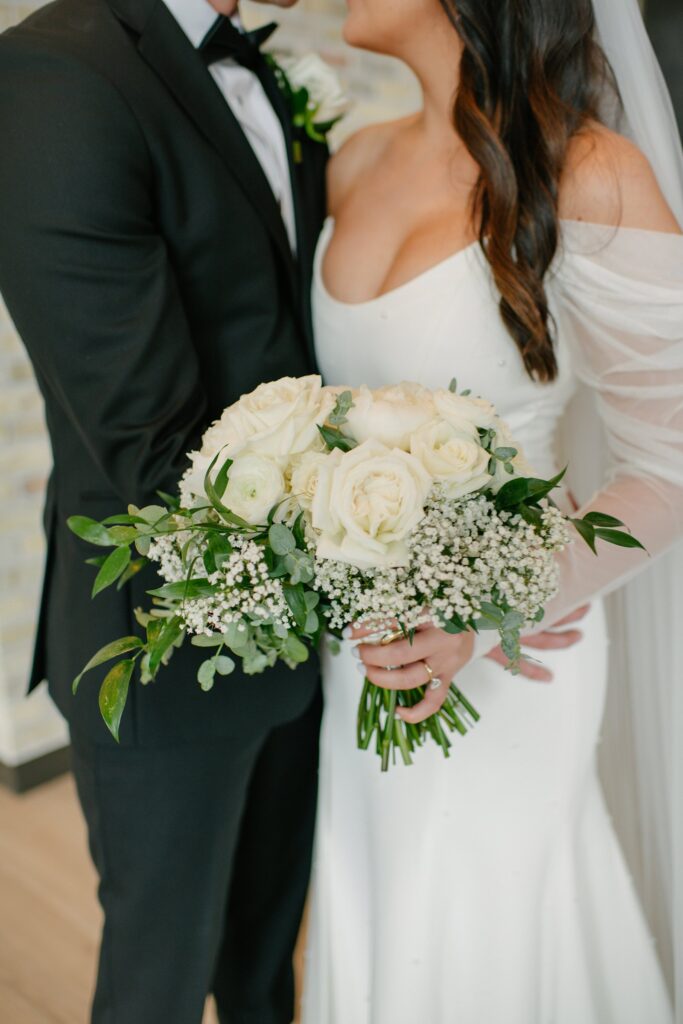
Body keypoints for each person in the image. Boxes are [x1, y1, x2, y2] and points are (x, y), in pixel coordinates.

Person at [303, 0, 683, 1021]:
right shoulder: (349, 162)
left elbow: (670, 461)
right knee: (383, 902)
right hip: (368, 647)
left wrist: (493, 601)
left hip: (517, 648)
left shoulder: (587, 172)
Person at [0, 0, 328, 1020]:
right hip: (163, 639)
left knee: (267, 961)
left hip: (303, 626)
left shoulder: (265, 72)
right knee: (158, 982)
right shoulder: (53, 78)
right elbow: (145, 441)